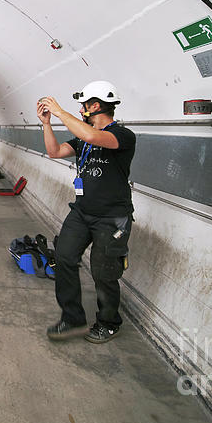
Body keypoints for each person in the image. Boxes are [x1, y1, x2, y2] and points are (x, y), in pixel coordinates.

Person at [36, 80, 136, 344]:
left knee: (103, 271)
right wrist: (47, 124)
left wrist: (59, 111)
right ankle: (72, 318)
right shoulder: (82, 141)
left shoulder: (123, 136)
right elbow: (54, 151)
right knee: (64, 256)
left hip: (112, 217)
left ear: (95, 105)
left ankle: (109, 322)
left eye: (83, 105)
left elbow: (93, 136)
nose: (80, 110)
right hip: (81, 212)